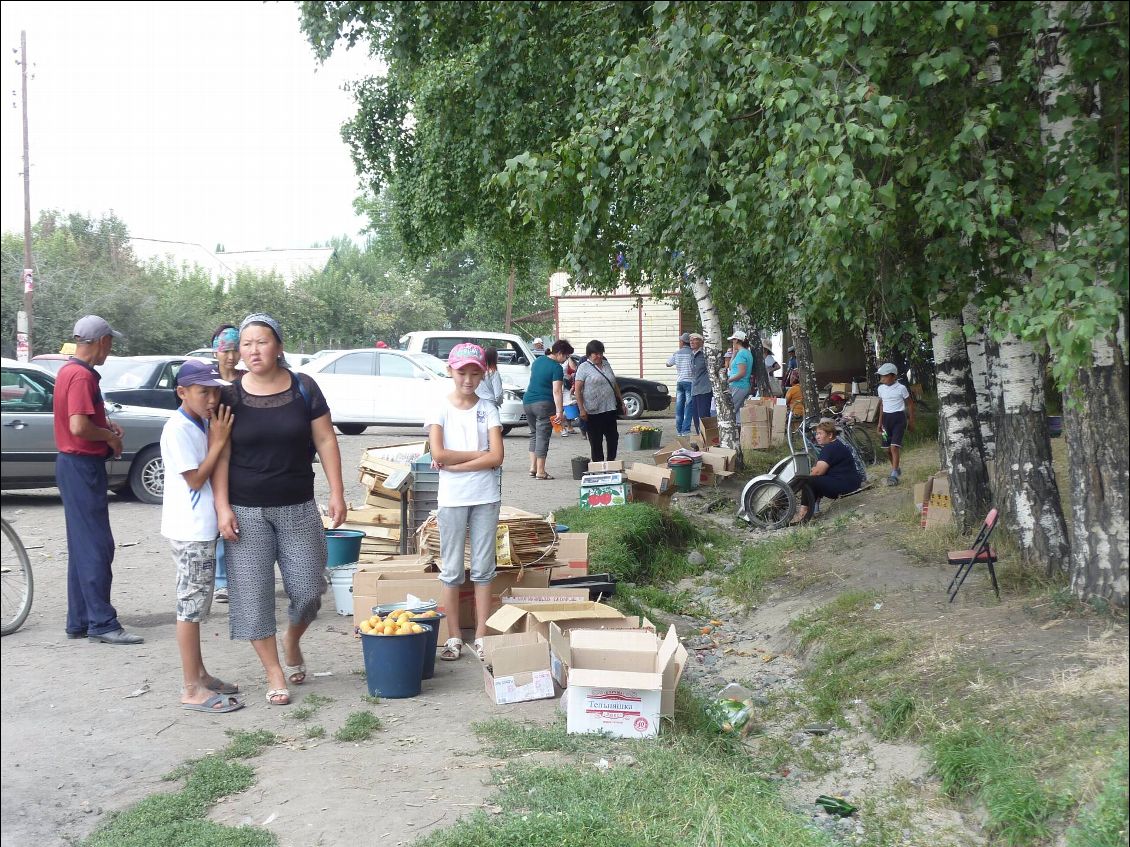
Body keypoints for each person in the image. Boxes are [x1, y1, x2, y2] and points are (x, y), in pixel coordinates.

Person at [214, 313, 347, 707]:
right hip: (245, 509)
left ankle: (292, 639)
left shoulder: (304, 388)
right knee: (253, 596)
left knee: (309, 591)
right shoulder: (229, 397)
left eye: (262, 341)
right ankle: (274, 672)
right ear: (240, 351)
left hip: (298, 505)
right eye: (247, 343)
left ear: (279, 346)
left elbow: (325, 439)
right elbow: (219, 455)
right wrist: (222, 507)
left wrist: (337, 492)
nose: (254, 350)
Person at [54, 315, 145, 645]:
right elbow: (79, 427)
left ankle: (80, 619)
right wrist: (109, 437)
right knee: (96, 545)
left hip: (73, 465)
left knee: (83, 545)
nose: (110, 349)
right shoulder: (80, 376)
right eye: (110, 343)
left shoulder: (70, 371)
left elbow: (82, 419)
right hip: (81, 465)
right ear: (102, 342)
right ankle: (102, 623)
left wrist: (105, 425)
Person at [160, 360, 243, 713]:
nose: (211, 399)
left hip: (199, 528)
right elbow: (195, 479)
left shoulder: (198, 422)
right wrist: (219, 441)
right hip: (189, 531)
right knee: (190, 608)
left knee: (196, 605)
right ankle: (191, 687)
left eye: (214, 391)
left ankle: (201, 674)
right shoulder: (178, 428)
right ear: (182, 392)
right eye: (202, 392)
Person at [425, 343, 504, 662]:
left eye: (475, 373)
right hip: (453, 498)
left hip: (486, 496)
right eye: (462, 372)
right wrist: (479, 456)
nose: (468, 379)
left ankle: (482, 635)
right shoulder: (439, 407)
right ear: (450, 371)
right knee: (452, 568)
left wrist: (457, 464)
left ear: (483, 373)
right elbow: (437, 453)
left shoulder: (488, 408)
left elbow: (498, 456)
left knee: (484, 567)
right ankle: (454, 636)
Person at [209, 324, 241, 604]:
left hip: (243, 459)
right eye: (226, 351)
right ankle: (220, 581)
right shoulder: (209, 382)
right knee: (219, 516)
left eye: (235, 350)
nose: (231, 357)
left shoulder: (248, 379)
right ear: (216, 351)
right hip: (215, 455)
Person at [791, 420, 865, 523]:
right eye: (817, 434)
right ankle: (814, 509)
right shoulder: (838, 444)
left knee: (809, 480)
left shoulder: (829, 448)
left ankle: (802, 513)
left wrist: (801, 480)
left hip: (844, 485)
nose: (817, 437)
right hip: (852, 482)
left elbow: (817, 472)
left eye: (820, 433)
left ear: (830, 435)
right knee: (817, 480)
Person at [522, 339, 573, 479]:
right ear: (560, 353)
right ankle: (541, 471)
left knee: (533, 434)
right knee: (542, 436)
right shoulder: (556, 367)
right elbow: (557, 391)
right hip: (543, 404)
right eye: (566, 356)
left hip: (527, 402)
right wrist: (559, 412)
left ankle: (532, 467)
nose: (566, 359)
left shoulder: (537, 361)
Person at [575, 340, 626, 462]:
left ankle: (611, 461)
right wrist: (581, 409)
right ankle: (598, 465)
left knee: (613, 437)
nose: (599, 356)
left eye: (600, 353)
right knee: (596, 440)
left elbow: (614, 383)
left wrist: (621, 401)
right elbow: (578, 390)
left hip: (610, 407)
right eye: (595, 354)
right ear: (589, 354)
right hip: (593, 410)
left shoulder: (606, 364)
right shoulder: (583, 367)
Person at [876, 362, 915, 486]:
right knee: (887, 449)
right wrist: (879, 422)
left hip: (898, 419)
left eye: (884, 376)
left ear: (893, 376)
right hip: (886, 420)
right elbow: (882, 405)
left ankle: (893, 474)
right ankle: (896, 468)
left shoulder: (901, 388)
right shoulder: (880, 389)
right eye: (880, 376)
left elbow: (910, 403)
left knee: (894, 447)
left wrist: (911, 420)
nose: (882, 379)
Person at [666, 332, 695, 436]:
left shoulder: (677, 353)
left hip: (680, 382)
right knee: (689, 406)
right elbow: (693, 368)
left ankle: (679, 430)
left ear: (682, 342)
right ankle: (686, 429)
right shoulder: (692, 354)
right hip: (690, 381)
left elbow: (668, 363)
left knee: (679, 406)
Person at [688, 333, 712, 437]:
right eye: (690, 340)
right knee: (695, 416)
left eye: (695, 340)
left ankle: (708, 439)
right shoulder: (691, 354)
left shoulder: (705, 354)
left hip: (704, 389)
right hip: (694, 389)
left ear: (701, 342)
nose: (692, 342)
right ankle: (700, 438)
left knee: (704, 416)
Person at [726, 330, 754, 412]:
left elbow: (742, 373)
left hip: (738, 385)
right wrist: (734, 354)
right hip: (741, 385)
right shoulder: (745, 353)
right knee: (738, 412)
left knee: (731, 410)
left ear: (737, 340)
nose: (732, 342)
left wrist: (728, 380)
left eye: (733, 340)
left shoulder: (742, 354)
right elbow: (731, 367)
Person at [560, 355, 580, 437]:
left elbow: (573, 369)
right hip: (557, 385)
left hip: (566, 385)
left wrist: (568, 357)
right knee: (559, 407)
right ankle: (561, 428)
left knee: (569, 405)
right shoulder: (554, 360)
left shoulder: (567, 359)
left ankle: (569, 426)